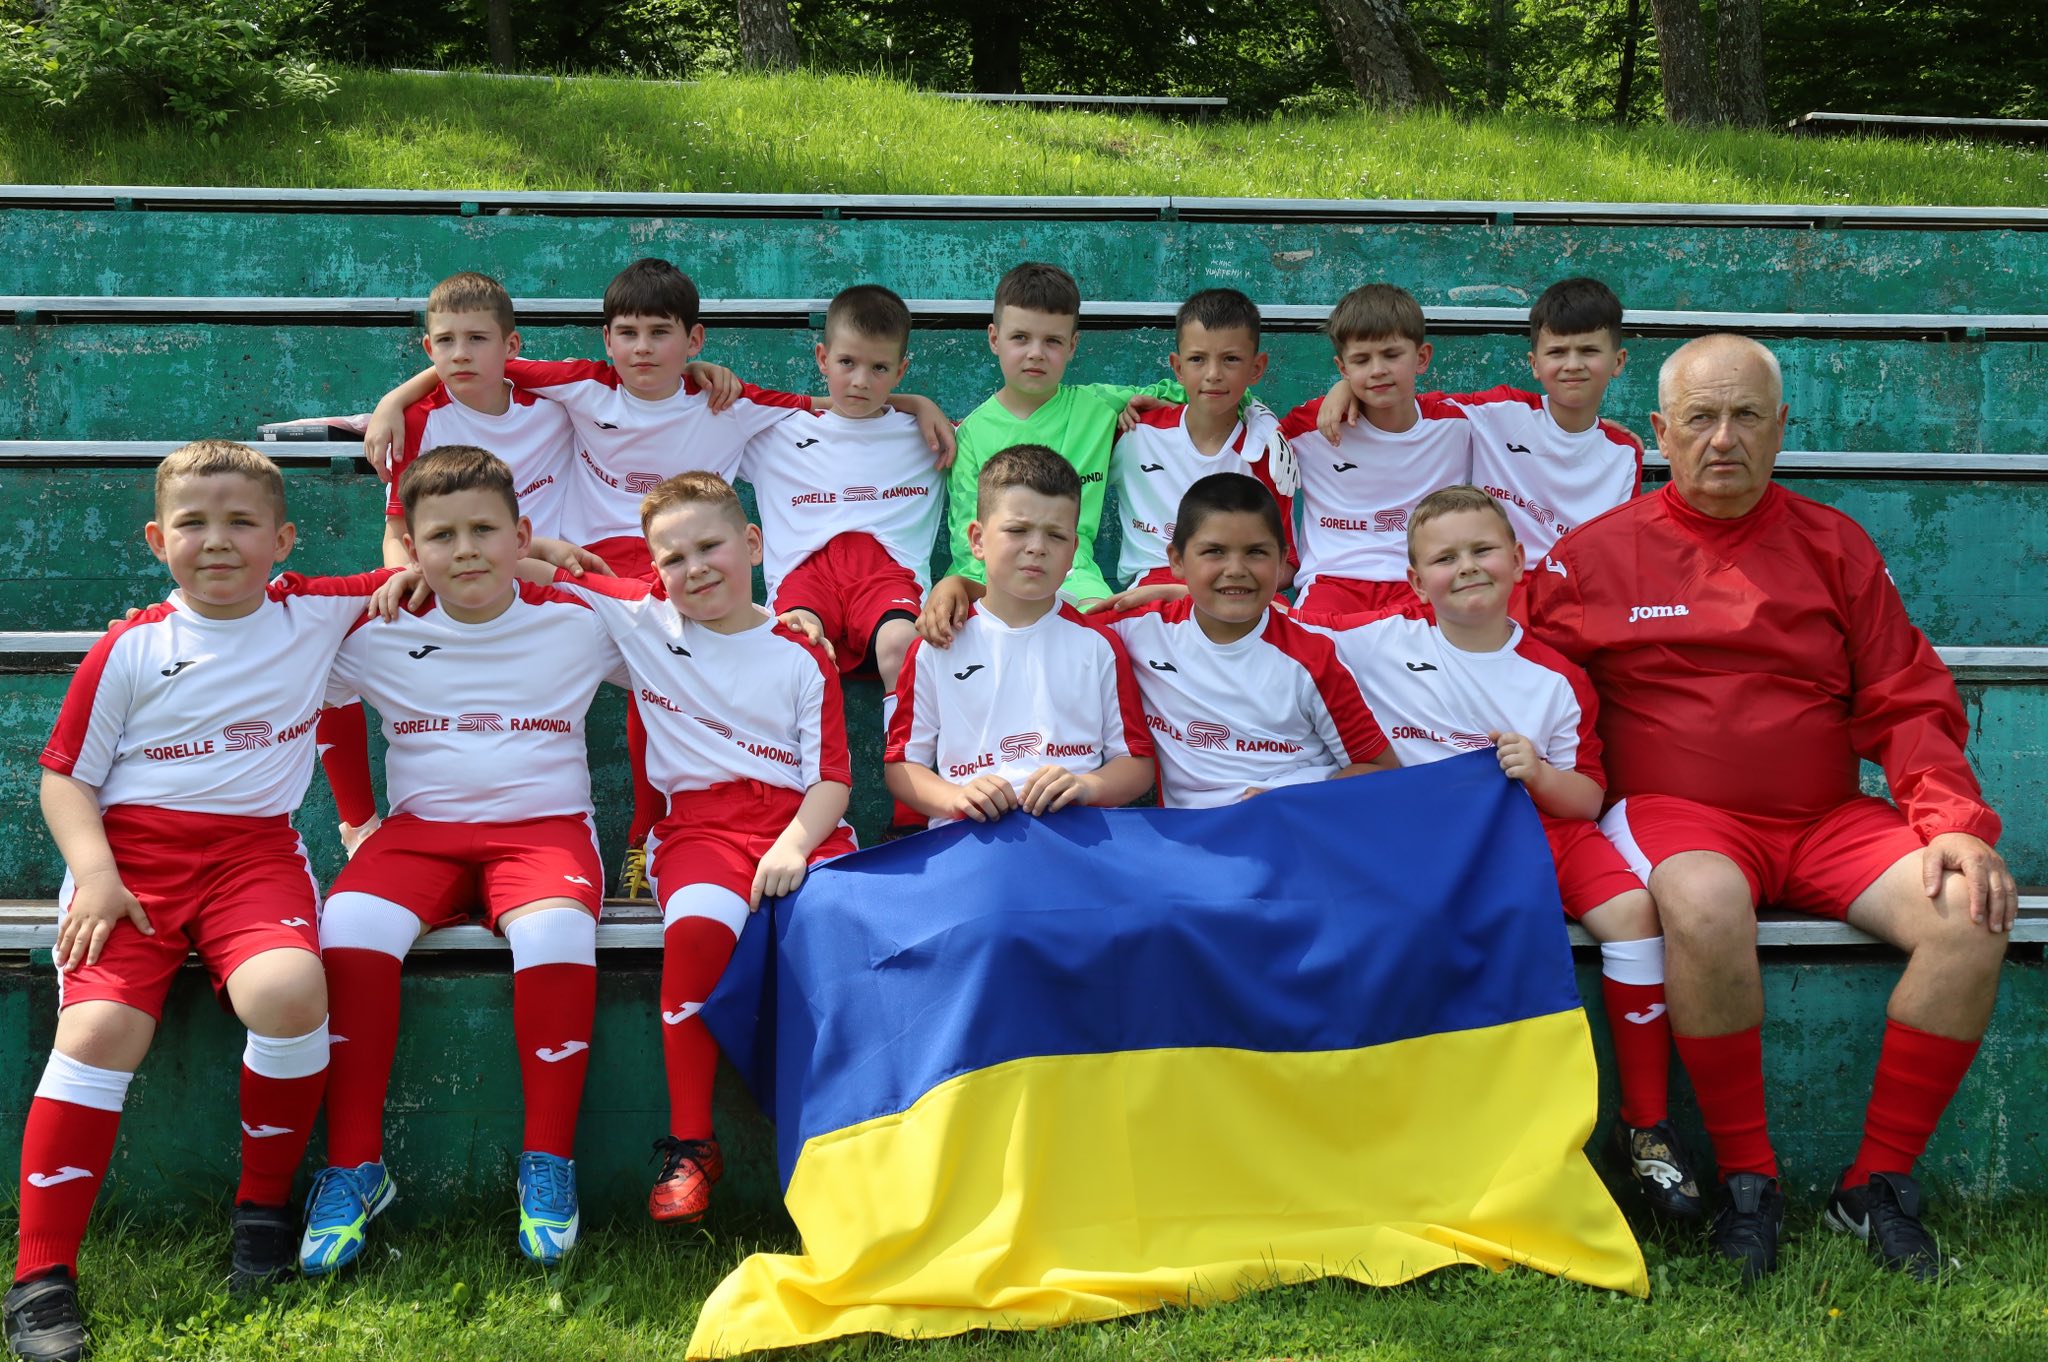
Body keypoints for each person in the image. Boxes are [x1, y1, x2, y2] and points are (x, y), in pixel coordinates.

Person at [1527, 333, 2015, 1281]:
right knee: (1706, 903)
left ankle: (1875, 1186)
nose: (1724, 438)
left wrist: (1951, 820)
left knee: (1969, 913)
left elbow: (1904, 697)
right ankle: (1750, 1182)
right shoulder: (1594, 558)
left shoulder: (1834, 544)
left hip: (1827, 818)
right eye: (1701, 418)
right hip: (1680, 814)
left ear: (1782, 427)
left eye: (1747, 415)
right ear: (1660, 431)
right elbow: (1513, 676)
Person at [6, 442, 393, 1362]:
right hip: (131, 862)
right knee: (99, 1031)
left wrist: (544, 556)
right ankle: (40, 1274)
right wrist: (97, 874)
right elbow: (64, 779)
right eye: (192, 523)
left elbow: (428, 570)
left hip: (252, 857)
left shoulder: (314, 613)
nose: (217, 541)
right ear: (156, 539)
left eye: (241, 522)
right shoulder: (132, 645)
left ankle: (262, 1212)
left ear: (282, 541)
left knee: (290, 992)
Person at [1295, 485, 1696, 1219]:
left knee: (1633, 913)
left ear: (1518, 558)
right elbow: (1270, 626)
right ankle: (1409, 1131)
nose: (1467, 567)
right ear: (1415, 581)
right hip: (1434, 843)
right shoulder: (1373, 640)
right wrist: (1158, 599)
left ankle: (1645, 1125)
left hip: (1543, 830)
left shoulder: (1557, 678)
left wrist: (1538, 773)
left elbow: (1587, 798)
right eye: (1444, 558)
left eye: (1483, 550)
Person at [297, 448, 625, 1275]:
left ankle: (548, 1160)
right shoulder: (380, 627)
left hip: (544, 831)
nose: (467, 549)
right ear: (410, 547)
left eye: (486, 530)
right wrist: (356, 818)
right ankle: (355, 1166)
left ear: (522, 534)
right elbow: (330, 703)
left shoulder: (579, 618)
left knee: (554, 935)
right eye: (442, 536)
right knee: (348, 927)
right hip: (419, 833)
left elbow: (679, 640)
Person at [537, 472, 856, 1226]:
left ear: (753, 543)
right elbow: (530, 571)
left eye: (711, 547)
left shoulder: (801, 653)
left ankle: (848, 1142)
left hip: (800, 824)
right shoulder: (645, 621)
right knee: (697, 929)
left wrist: (792, 846)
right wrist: (546, 548)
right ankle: (693, 1144)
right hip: (698, 830)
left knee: (837, 933)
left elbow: (833, 782)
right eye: (673, 559)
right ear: (655, 570)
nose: (695, 569)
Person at [314, 270, 603, 858]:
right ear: (428, 347)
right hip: (452, 575)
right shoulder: (421, 421)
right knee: (323, 653)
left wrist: (394, 394)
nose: (460, 354)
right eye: (445, 341)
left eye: (476, 339)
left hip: (546, 583)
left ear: (511, 345)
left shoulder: (555, 406)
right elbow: (397, 532)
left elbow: (638, 378)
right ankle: (360, 826)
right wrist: (407, 574)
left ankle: (650, 831)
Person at [738, 284, 943, 835]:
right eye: (847, 363)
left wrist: (920, 407)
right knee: (795, 644)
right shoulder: (777, 432)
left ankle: (911, 810)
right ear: (822, 358)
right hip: (807, 578)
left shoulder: (927, 435)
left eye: (879, 369)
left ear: (901, 371)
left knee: (903, 644)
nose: (860, 381)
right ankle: (802, 806)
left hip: (886, 577)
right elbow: (701, 410)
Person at [1080, 472, 1399, 808]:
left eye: (1256, 552)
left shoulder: (1312, 658)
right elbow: (1054, 629)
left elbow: (1379, 767)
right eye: (1214, 551)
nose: (1235, 569)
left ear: (1281, 560)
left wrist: (1300, 799)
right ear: (1177, 560)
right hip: (1188, 832)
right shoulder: (1137, 629)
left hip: (1291, 826)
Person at [885, 445, 1155, 827]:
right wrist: (956, 798)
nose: (1037, 548)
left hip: (1076, 835)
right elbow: (902, 766)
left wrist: (1086, 786)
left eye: (1056, 536)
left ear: (1073, 549)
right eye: (1017, 530)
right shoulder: (936, 645)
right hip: (970, 837)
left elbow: (1137, 763)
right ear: (977, 540)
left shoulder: (1100, 645)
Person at [1316, 276, 1643, 577]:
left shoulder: (1624, 454)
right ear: (1534, 364)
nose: (1572, 365)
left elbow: (1618, 549)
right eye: (1557, 352)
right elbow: (1401, 399)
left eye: (1588, 351)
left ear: (1618, 361)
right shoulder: (1496, 412)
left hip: (1575, 591)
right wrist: (1344, 387)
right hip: (1501, 587)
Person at [920, 261, 1187, 622]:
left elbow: (1203, 388)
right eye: (1020, 338)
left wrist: (1155, 403)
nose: (1036, 353)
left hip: (1076, 578)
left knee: (1108, 631)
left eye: (1052, 341)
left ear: (1073, 345)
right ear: (994, 339)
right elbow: (968, 547)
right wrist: (915, 402)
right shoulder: (972, 434)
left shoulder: (1098, 407)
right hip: (991, 580)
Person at [1273, 283, 1472, 616]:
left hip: (1423, 587)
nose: (1378, 370)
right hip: (1333, 584)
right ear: (1343, 368)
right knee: (1305, 641)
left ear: (1422, 357)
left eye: (1391, 355)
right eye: (1361, 360)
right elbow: (1242, 432)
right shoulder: (1311, 425)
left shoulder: (1460, 423)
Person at [1102, 288, 1293, 609]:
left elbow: (1285, 567)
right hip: (1151, 595)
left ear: (1257, 368)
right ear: (1178, 368)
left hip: (1237, 592)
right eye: (1197, 359)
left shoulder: (1265, 453)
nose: (1213, 374)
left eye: (1230, 359)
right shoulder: (1135, 432)